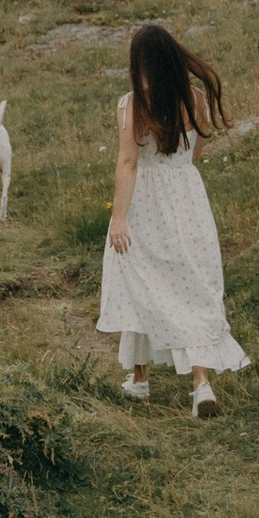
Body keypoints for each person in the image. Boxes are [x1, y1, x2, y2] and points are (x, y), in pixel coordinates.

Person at [97, 22, 249, 416]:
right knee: (191, 286)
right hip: (188, 202)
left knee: (139, 281)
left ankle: (141, 377)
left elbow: (128, 162)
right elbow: (194, 153)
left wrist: (118, 218)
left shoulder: (133, 105)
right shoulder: (194, 99)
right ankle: (201, 384)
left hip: (146, 201)